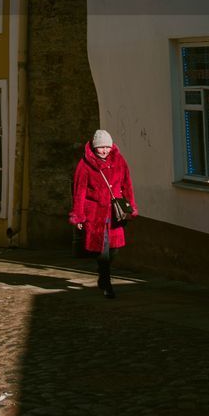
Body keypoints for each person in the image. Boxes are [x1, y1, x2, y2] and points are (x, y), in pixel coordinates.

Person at [69, 128, 138, 298]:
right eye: (101, 147)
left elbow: (126, 184)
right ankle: (107, 283)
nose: (105, 150)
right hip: (95, 214)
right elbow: (79, 191)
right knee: (103, 249)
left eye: (107, 147)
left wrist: (131, 207)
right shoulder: (84, 165)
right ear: (94, 147)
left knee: (114, 249)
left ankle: (102, 272)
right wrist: (78, 215)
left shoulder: (119, 161)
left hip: (115, 213)